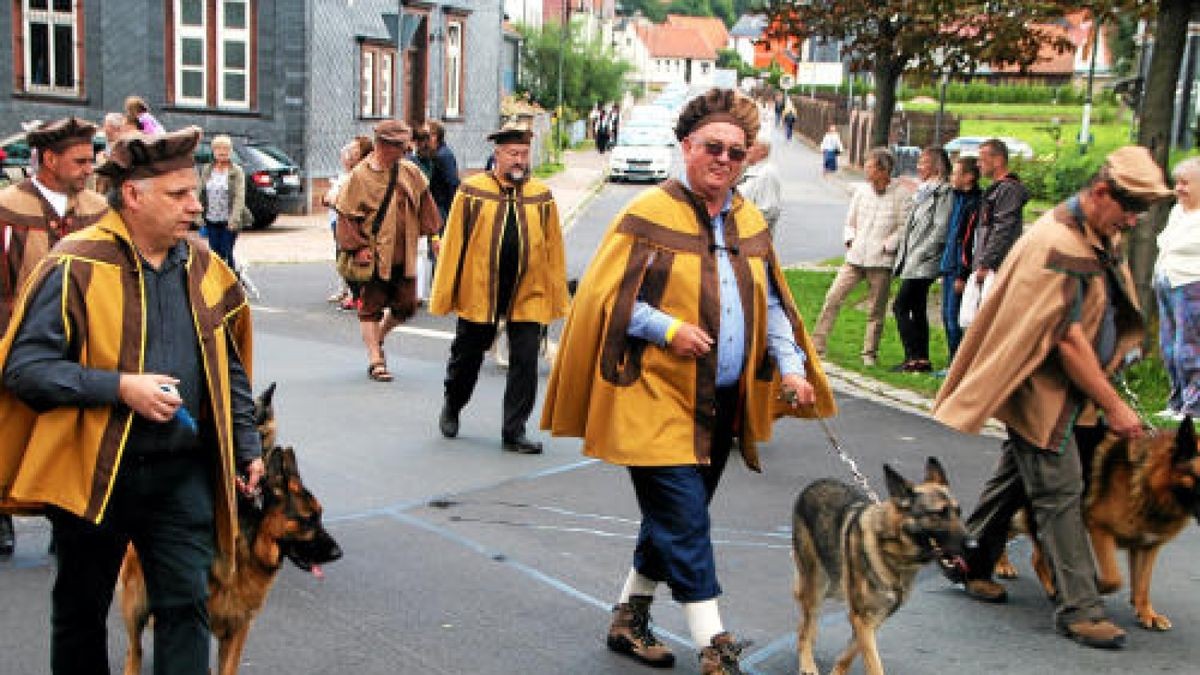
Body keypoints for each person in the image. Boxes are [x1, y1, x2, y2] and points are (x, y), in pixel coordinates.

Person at [541, 88, 835, 674]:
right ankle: (715, 643)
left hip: (718, 403)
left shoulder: (749, 219)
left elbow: (774, 304)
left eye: (736, 151)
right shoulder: (647, 212)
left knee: (675, 516)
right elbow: (605, 298)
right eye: (712, 147)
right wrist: (668, 327)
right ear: (687, 147)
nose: (724, 159)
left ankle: (629, 618)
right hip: (653, 394)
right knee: (687, 520)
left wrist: (795, 369)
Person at [0, 126, 264, 674]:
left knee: (186, 607)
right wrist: (120, 387)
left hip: (180, 474)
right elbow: (25, 369)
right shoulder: (76, 263)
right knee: (80, 610)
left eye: (194, 192)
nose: (195, 205)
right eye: (178, 195)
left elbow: (227, 367)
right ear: (134, 196)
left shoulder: (204, 267)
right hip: (96, 473)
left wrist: (245, 444)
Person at [933, 146, 1174, 650]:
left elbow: (1102, 313)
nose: (1132, 222)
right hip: (1043, 392)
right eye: (1129, 209)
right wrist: (1114, 404)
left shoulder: (1097, 234)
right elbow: (1065, 339)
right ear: (1102, 192)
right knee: (1060, 493)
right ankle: (1081, 609)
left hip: (1075, 393)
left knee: (1016, 483)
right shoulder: (1056, 242)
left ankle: (970, 559)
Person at [430, 119, 569, 454]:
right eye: (512, 153)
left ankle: (514, 430)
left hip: (528, 292)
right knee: (467, 357)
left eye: (523, 153)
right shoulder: (472, 190)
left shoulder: (541, 195)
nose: (519, 160)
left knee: (525, 362)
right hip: (481, 290)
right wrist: (447, 289)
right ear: (498, 155)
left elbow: (553, 248)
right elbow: (454, 245)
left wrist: (555, 294)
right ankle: (453, 403)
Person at [335, 120, 442, 382]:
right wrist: (358, 248)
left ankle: (379, 337)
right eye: (400, 147)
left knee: (406, 307)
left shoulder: (410, 171)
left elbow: (426, 205)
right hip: (373, 255)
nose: (406, 151)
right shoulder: (360, 176)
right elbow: (346, 216)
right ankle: (375, 359)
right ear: (384, 145)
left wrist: (435, 237)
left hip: (404, 254)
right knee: (370, 307)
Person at [811, 148, 912, 366]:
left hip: (881, 261)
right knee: (833, 297)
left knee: (876, 310)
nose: (866, 170)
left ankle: (869, 354)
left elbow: (904, 228)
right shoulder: (862, 191)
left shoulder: (901, 195)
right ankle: (817, 345)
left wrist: (889, 245)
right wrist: (849, 239)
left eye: (870, 166)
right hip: (855, 257)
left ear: (883, 170)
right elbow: (850, 220)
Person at [890, 146, 953, 373]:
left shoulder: (943, 193)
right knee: (916, 308)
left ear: (936, 166)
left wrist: (921, 253)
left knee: (900, 306)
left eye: (923, 163)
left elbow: (940, 228)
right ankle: (921, 359)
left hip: (924, 262)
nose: (918, 167)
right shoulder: (925, 192)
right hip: (914, 259)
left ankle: (913, 357)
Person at [1153, 157, 1200, 420]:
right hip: (1167, 280)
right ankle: (1176, 400)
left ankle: (1195, 405)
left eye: (1185, 183)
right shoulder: (1177, 212)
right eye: (1177, 183)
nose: (1178, 189)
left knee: (1189, 347)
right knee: (1169, 345)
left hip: (1192, 283)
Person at [967, 138, 1029, 293]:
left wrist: (986, 263)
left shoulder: (1009, 190)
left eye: (982, 159)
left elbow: (1002, 229)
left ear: (998, 160)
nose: (978, 164)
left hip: (996, 269)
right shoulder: (996, 189)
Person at [938, 156, 982, 362]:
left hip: (959, 268)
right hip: (948, 265)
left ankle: (957, 363)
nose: (951, 177)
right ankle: (951, 359)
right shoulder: (955, 198)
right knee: (946, 316)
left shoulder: (974, 204)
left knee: (955, 317)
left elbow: (967, 241)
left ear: (969, 177)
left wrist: (963, 274)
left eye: (956, 173)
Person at [325, 136, 373, 311]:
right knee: (343, 260)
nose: (349, 154)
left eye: (354, 150)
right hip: (340, 221)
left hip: (353, 222)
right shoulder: (349, 173)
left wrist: (334, 200)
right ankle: (352, 293)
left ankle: (360, 295)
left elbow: (339, 199)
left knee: (354, 259)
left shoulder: (360, 174)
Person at [197, 134, 250, 270]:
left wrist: (234, 219)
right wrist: (198, 216)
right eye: (218, 148)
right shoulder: (207, 170)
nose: (222, 152)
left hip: (229, 221)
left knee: (226, 252)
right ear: (213, 151)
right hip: (211, 219)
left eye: (226, 148)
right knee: (215, 253)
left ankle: (233, 280)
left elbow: (239, 196)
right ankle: (221, 283)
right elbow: (199, 193)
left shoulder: (236, 171)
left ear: (230, 151)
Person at [738, 137, 782, 237]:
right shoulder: (749, 168)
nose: (746, 149)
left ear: (763, 151)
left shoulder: (767, 173)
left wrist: (743, 227)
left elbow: (769, 211)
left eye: (751, 146)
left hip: (751, 240)